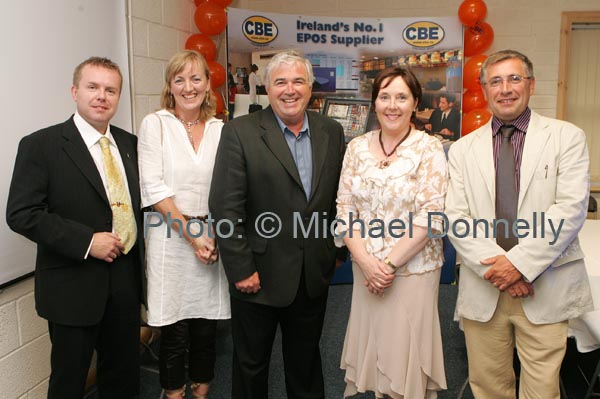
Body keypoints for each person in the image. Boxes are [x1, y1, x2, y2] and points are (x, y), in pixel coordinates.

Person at [445, 49, 593, 399]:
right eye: (495, 81)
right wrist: (502, 269)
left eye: (514, 79)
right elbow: (457, 217)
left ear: (531, 84)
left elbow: (569, 210)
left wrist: (519, 266)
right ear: (483, 90)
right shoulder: (463, 149)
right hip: (486, 286)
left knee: (542, 389)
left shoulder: (566, 137)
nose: (505, 88)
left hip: (545, 282)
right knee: (488, 386)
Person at [209, 50, 346, 399]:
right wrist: (240, 269)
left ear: (311, 87)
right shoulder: (240, 132)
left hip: (311, 274)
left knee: (306, 365)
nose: (290, 89)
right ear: (267, 89)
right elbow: (225, 208)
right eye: (280, 81)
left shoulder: (331, 131)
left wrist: (333, 250)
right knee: (251, 366)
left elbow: (337, 200)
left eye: (298, 81)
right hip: (257, 276)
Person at [6, 57, 144, 399]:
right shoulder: (41, 145)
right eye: (93, 87)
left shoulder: (131, 145)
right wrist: (87, 241)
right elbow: (22, 213)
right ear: (75, 91)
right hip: (73, 286)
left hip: (125, 284)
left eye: (111, 90)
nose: (102, 96)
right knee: (69, 382)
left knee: (123, 377)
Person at [336, 66, 448, 398]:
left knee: (405, 360)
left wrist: (387, 266)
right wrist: (367, 263)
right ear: (374, 103)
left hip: (412, 271)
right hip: (365, 268)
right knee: (377, 357)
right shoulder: (356, 147)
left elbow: (432, 216)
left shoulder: (429, 149)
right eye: (385, 97)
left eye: (402, 97)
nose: (392, 105)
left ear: (415, 103)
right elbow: (344, 210)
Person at [138, 50, 230, 399]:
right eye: (180, 79)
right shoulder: (155, 124)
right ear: (170, 86)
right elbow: (154, 188)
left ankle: (202, 388)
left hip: (212, 236)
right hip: (170, 239)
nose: (188, 87)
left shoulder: (222, 130)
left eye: (196, 78)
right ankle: (173, 393)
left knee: (207, 326)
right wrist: (194, 238)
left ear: (208, 84)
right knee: (173, 328)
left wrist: (213, 236)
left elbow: (228, 188)